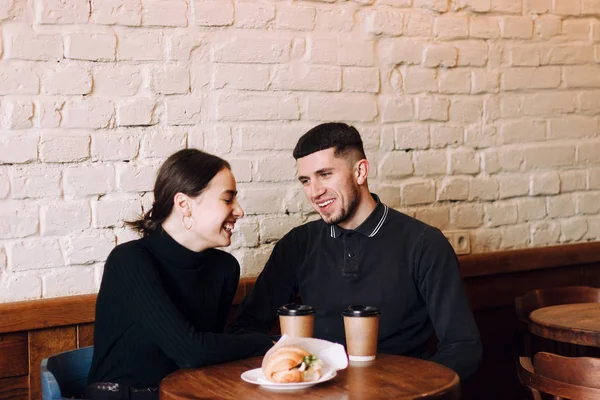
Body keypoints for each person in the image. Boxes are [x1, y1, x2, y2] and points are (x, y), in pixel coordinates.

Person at [228, 122, 482, 379]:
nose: (315, 192)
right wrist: (284, 363)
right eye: (306, 180)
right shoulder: (298, 243)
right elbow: (245, 328)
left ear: (360, 171)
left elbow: (463, 347)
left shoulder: (424, 243)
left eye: (325, 174)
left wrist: (410, 390)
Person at [87, 149, 273, 399]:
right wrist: (271, 343)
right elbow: (191, 351)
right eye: (228, 199)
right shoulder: (130, 260)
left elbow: (206, 357)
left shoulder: (225, 268)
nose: (239, 211)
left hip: (187, 393)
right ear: (184, 204)